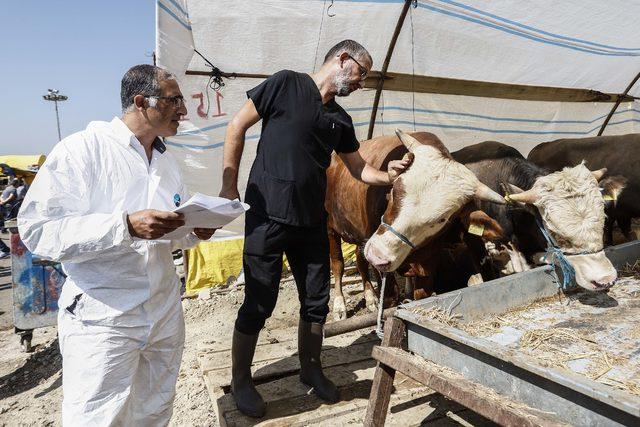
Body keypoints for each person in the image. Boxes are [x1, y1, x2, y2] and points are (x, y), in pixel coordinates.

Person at [219, 40, 411, 417]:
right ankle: (242, 379)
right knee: (259, 302)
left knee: (316, 301)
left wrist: (386, 175)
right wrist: (228, 185)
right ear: (343, 59)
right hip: (267, 216)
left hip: (310, 223)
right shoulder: (285, 84)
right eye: (361, 73)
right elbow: (236, 125)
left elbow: (359, 169)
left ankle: (311, 368)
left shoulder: (340, 120)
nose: (361, 84)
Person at [18, 64, 216, 425]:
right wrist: (123, 225)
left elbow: (172, 229)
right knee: (97, 416)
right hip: (104, 316)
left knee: (154, 410)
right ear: (141, 102)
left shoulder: (167, 160)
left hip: (163, 311)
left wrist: (195, 230)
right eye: (174, 100)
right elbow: (38, 230)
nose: (183, 110)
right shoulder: (82, 151)